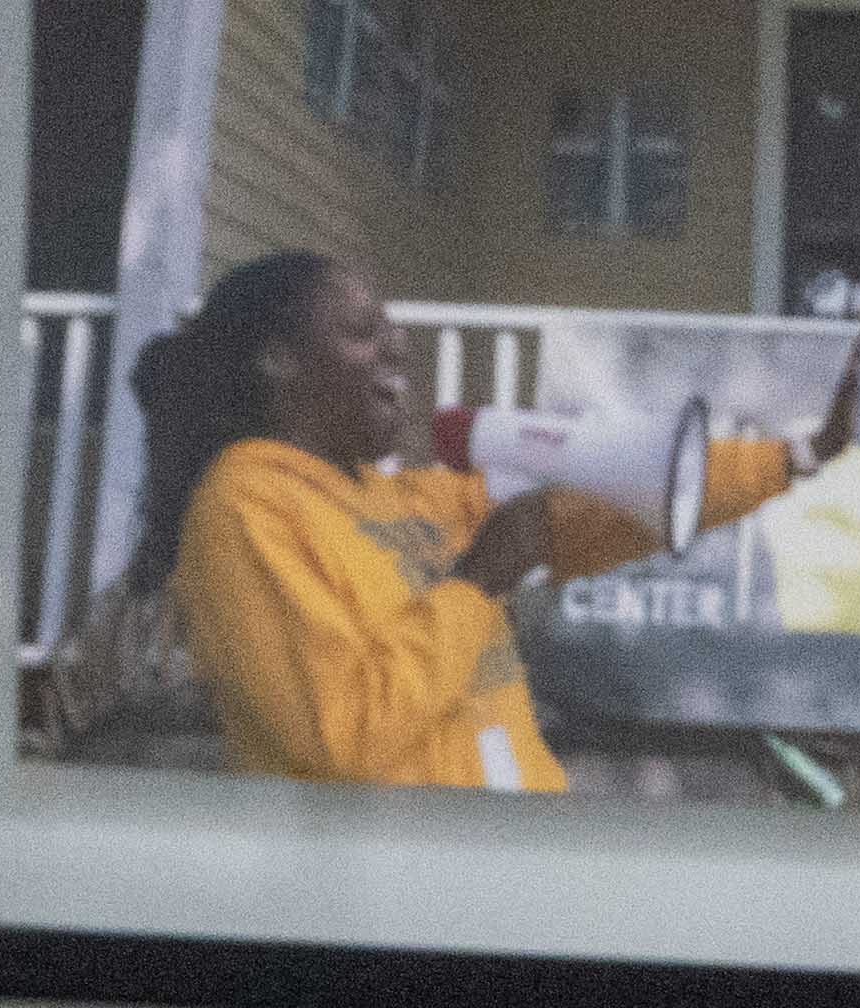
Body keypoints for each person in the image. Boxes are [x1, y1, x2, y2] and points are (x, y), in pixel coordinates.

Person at [124, 250, 584, 794]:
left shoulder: (408, 499)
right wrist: (477, 581)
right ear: (279, 359)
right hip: (405, 865)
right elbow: (344, 736)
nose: (399, 346)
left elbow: (605, 515)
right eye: (364, 331)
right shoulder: (246, 504)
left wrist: (679, 467)